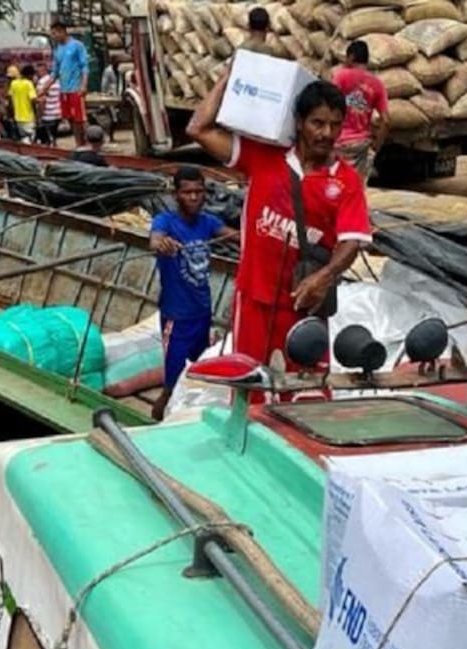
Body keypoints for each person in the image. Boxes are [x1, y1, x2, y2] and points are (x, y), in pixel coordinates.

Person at [186, 75, 371, 369]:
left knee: (304, 390)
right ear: (299, 122)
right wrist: (232, 74)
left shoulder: (346, 180)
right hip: (254, 300)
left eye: (335, 125)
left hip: (305, 305)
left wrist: (324, 277)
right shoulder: (264, 157)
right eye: (317, 123)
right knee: (250, 383)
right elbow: (198, 128)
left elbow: (352, 241)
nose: (326, 133)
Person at [149, 167, 238, 420]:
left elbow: (234, 237)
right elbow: (155, 240)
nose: (194, 197)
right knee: (171, 383)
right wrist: (162, 245)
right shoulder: (165, 222)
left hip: (202, 313)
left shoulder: (208, 222)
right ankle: (156, 421)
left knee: (198, 373)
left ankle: (187, 416)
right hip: (177, 317)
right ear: (176, 194)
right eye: (187, 192)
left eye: (199, 191)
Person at [331, 40, 389, 183]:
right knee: (355, 190)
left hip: (339, 143)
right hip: (361, 146)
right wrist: (376, 146)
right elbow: (386, 120)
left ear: (351, 57)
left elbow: (329, 105)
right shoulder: (377, 84)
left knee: (333, 187)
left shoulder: (341, 76)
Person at [50, 22, 89, 147]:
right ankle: (79, 144)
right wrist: (45, 88)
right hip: (64, 90)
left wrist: (83, 85)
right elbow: (55, 72)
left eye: (55, 33)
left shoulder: (77, 46)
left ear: (62, 31)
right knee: (70, 118)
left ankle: (86, 143)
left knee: (80, 118)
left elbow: (84, 67)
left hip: (76, 89)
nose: (54, 36)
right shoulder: (58, 50)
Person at [35, 60, 62, 145]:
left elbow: (42, 101)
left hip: (47, 115)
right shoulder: (56, 81)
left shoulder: (42, 83)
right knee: (54, 137)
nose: (37, 73)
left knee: (47, 140)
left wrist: (39, 116)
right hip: (57, 113)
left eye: (38, 71)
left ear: (43, 71)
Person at [8, 64, 37, 142]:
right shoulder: (29, 84)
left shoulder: (13, 83)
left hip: (18, 117)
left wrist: (11, 114)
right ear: (30, 75)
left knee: (23, 138)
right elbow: (33, 100)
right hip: (28, 117)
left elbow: (10, 100)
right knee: (30, 139)